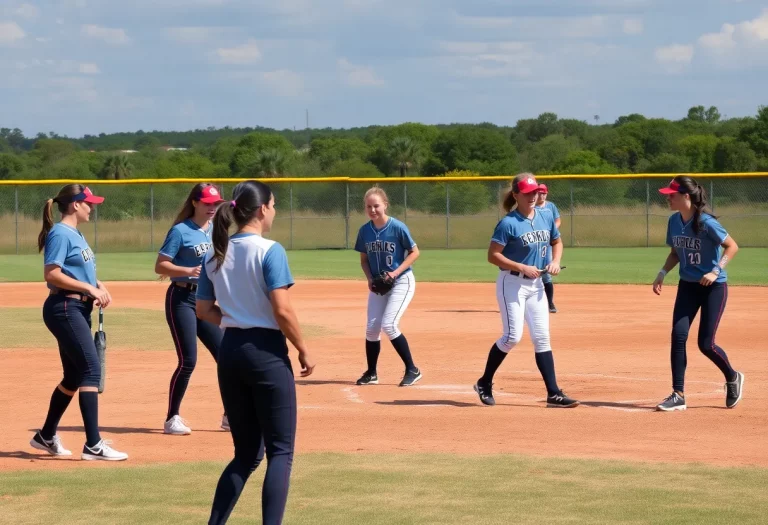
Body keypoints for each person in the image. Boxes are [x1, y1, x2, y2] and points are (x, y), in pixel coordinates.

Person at [196, 180, 315, 525]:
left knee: (246, 454)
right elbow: (282, 310)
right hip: (265, 353)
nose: (274, 212)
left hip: (230, 351)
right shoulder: (269, 250)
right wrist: (303, 349)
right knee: (281, 453)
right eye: (273, 205)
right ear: (262, 209)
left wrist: (235, 317)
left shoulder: (215, 250)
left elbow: (203, 310)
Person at [30, 184, 128, 461]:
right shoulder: (61, 233)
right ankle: (93, 445)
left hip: (75, 307)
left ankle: (45, 435)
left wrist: (95, 284)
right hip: (65, 307)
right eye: (89, 203)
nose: (92, 207)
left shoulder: (75, 233)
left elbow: (76, 269)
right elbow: (52, 274)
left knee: (74, 375)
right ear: (75, 204)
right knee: (90, 370)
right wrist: (89, 289)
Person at [474, 173, 578, 408]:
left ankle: (553, 393)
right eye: (528, 192)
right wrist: (521, 266)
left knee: (542, 338)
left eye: (535, 192)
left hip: (536, 285)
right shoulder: (508, 223)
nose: (533, 196)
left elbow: (557, 242)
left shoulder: (545, 216)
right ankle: (484, 382)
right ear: (516, 195)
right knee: (512, 336)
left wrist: (554, 261)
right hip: (511, 283)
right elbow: (493, 255)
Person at [653, 175, 744, 411]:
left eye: (671, 195)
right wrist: (663, 271)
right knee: (678, 335)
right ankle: (678, 394)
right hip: (688, 286)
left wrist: (716, 270)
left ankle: (732, 376)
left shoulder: (707, 222)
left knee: (706, 344)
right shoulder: (674, 221)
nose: (668, 199)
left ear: (686, 196)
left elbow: (732, 246)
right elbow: (676, 252)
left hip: (713, 287)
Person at [155, 183, 228, 435]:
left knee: (227, 357)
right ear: (195, 202)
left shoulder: (216, 230)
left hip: (206, 301)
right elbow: (161, 266)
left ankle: (231, 415)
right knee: (188, 361)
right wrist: (187, 270)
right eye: (207, 203)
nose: (212, 208)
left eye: (215, 203)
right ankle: (171, 418)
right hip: (181, 298)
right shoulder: (180, 231)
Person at [353, 186, 422, 387]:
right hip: (378, 284)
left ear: (385, 205)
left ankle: (412, 369)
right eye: (369, 207)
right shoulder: (364, 231)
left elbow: (414, 252)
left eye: (376, 206)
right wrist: (369, 279)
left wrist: (395, 273)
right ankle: (372, 373)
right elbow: (364, 260)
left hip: (401, 280)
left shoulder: (398, 227)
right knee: (372, 328)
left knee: (389, 324)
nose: (372, 210)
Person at [536, 184, 561, 313]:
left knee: (546, 275)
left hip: (547, 244)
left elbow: (557, 221)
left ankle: (550, 303)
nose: (542, 195)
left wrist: (552, 231)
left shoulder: (550, 206)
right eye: (539, 193)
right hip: (535, 244)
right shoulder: (531, 206)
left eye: (544, 193)